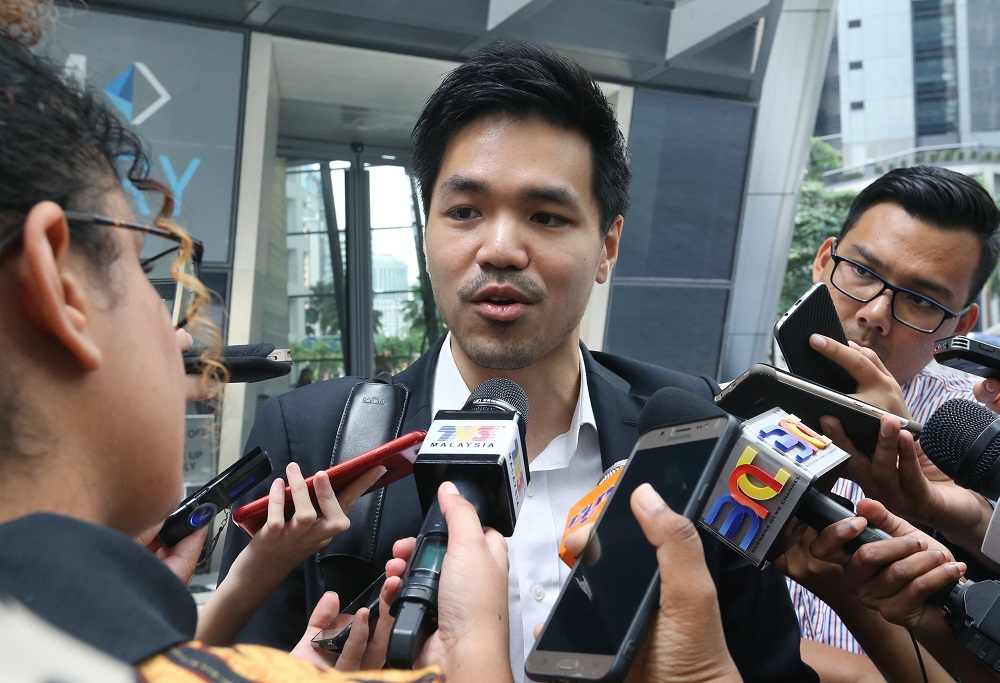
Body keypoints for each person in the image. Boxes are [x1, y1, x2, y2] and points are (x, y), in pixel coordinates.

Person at [220, 39, 816, 681]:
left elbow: (771, 667)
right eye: (465, 211)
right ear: (427, 232)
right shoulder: (311, 438)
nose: (500, 248)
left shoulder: (689, 426)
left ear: (608, 244)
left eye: (547, 216)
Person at [782, 165, 1000, 672]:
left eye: (922, 300)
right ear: (823, 262)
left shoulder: (980, 440)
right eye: (862, 271)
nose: (876, 313)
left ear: (960, 324)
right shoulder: (726, 410)